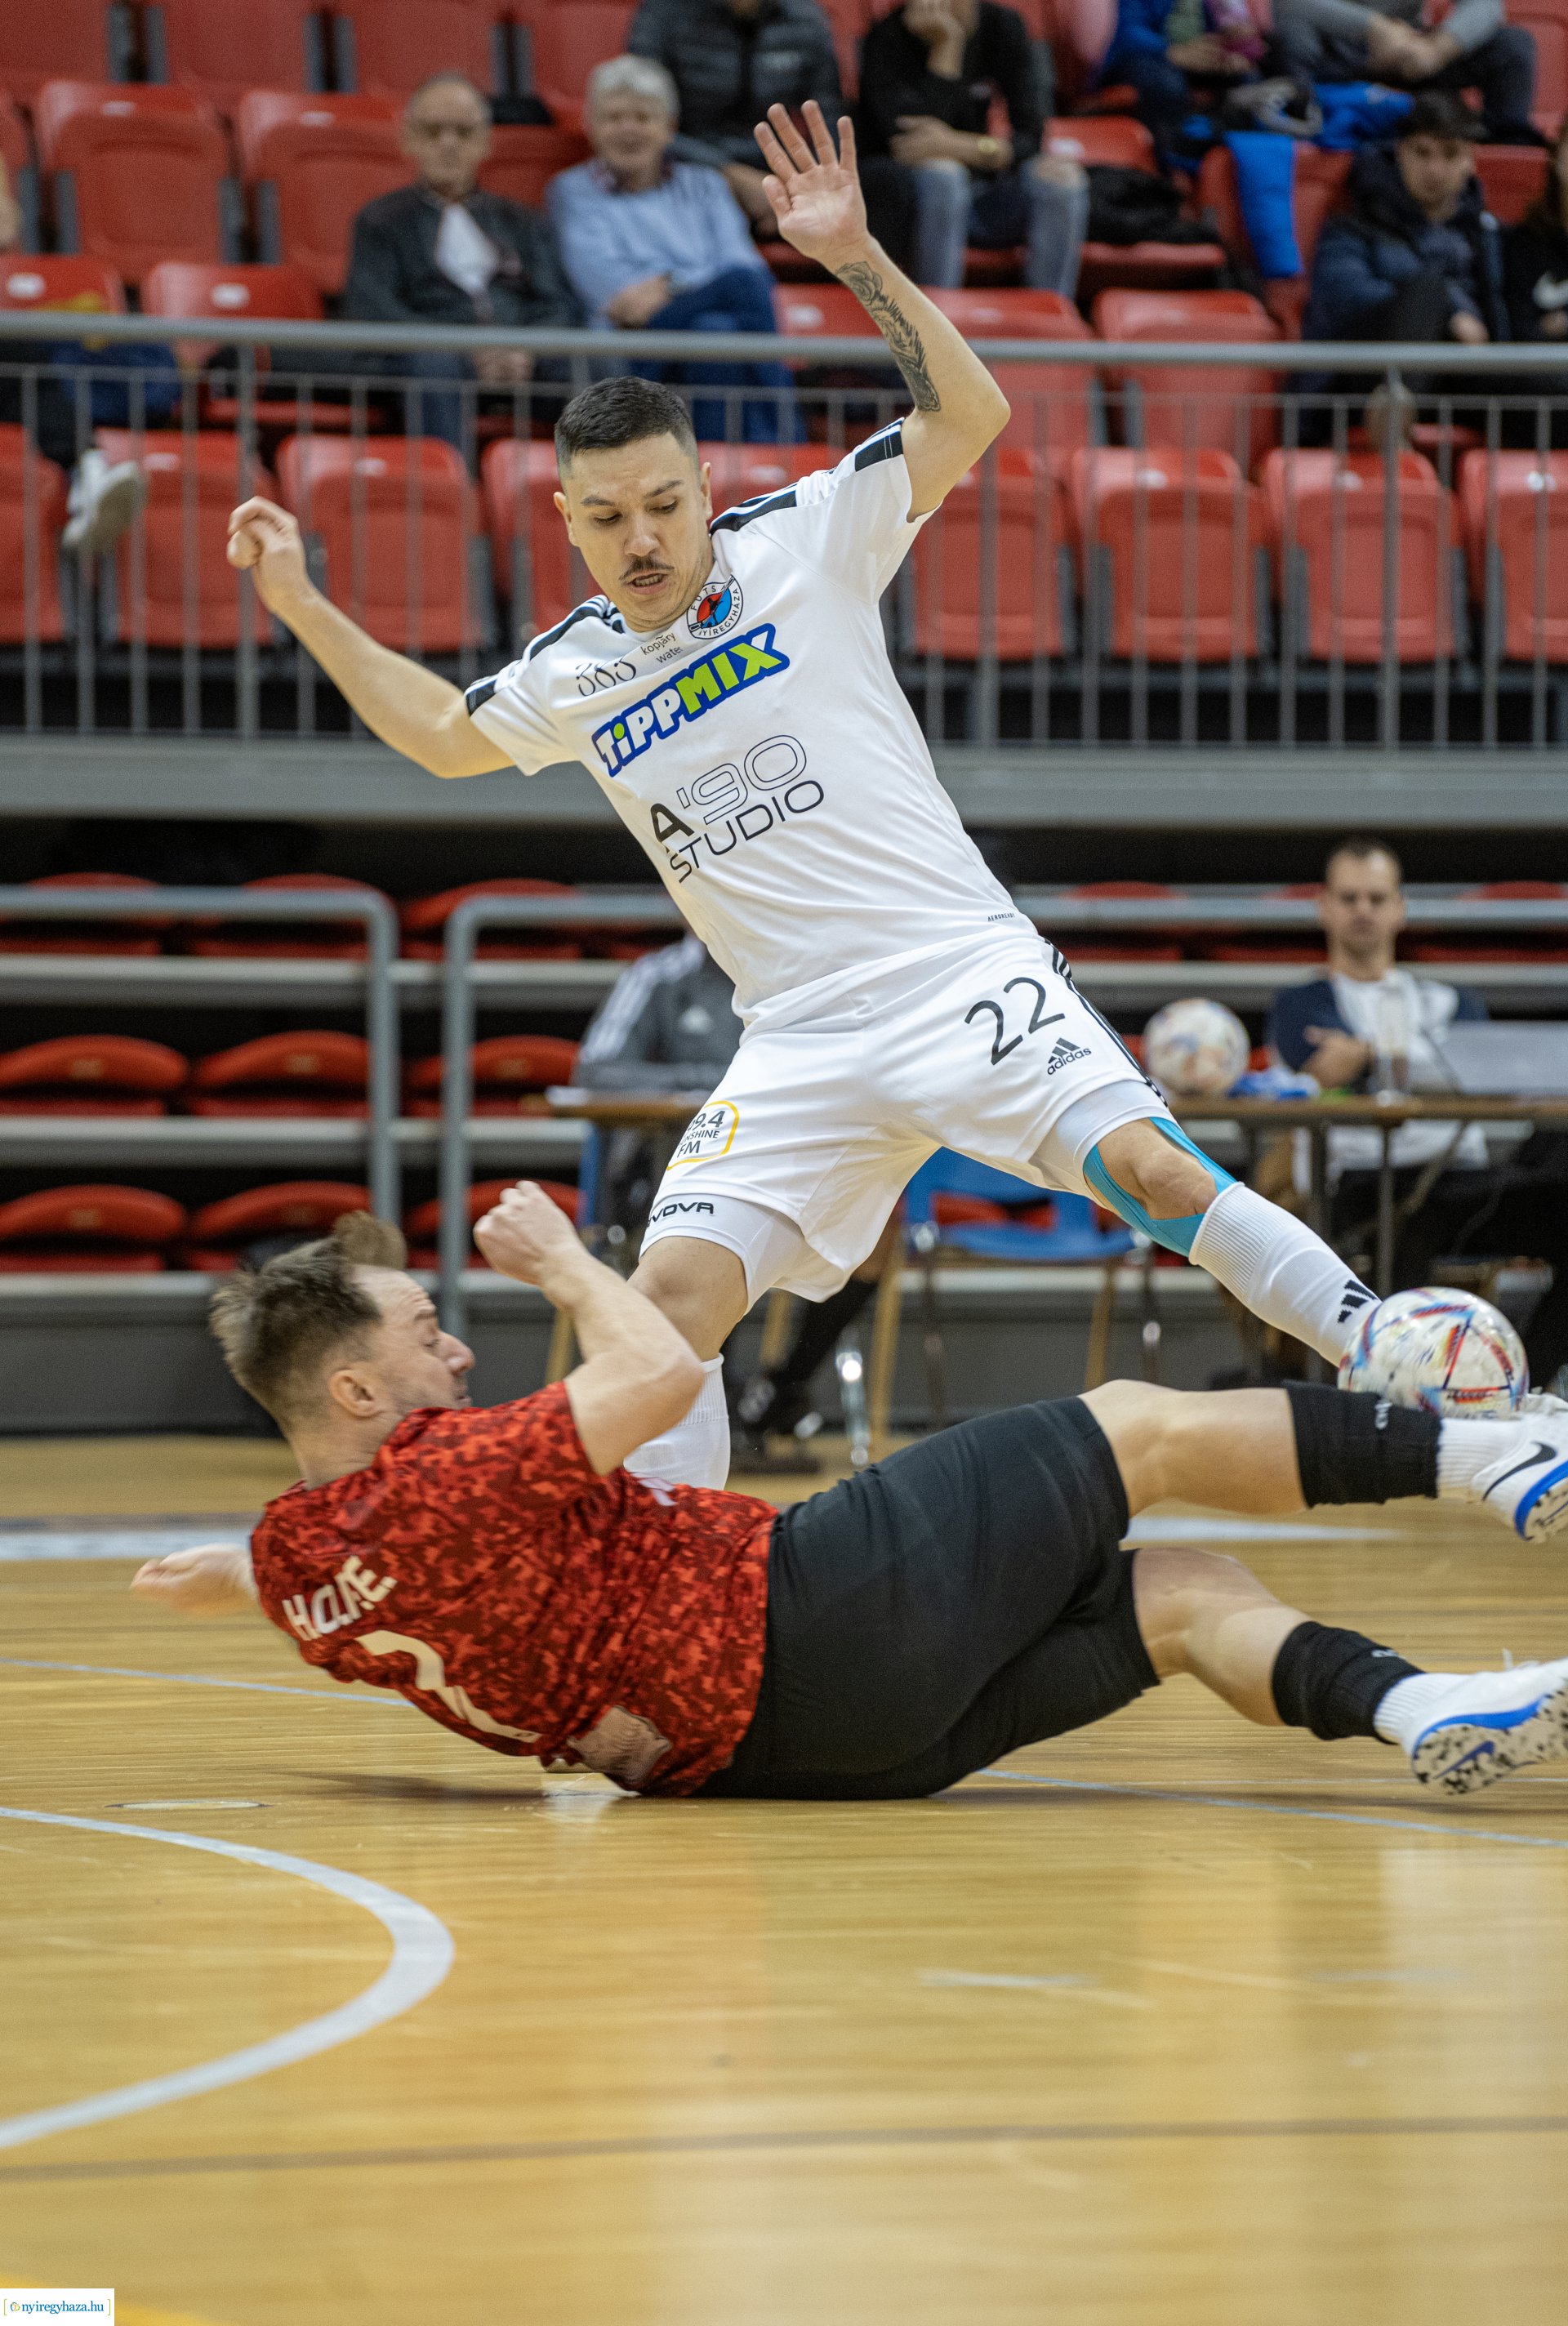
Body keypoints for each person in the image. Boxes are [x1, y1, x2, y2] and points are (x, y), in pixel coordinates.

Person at [228, 100, 1394, 1499]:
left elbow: (970, 412)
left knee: (1150, 1170)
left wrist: (852, 258)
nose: (641, 539)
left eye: (663, 503)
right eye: (606, 519)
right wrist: (300, 602)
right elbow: (434, 733)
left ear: (704, 484)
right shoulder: (578, 669)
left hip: (957, 970)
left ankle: (1385, 1342)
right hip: (794, 1040)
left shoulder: (807, 535)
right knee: (662, 1305)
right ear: (568, 521)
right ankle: (680, 1597)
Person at [131, 1194, 1568, 1803]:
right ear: (360, 1399)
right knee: (1135, 1428)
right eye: (421, 1328)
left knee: (1180, 1594)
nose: (454, 1342)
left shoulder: (301, 1554)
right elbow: (661, 1375)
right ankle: (1495, 1456)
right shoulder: (443, 1470)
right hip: (802, 1617)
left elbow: (318, 1580)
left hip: (791, 1760)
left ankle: (1422, 1710)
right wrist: (566, 1260)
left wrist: (224, 1573)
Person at [1268, 835, 1568, 1394]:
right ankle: (1387, 1403)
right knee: (1410, 1217)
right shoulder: (1302, 1002)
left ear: (1399, 908)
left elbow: (1483, 1074)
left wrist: (1370, 1056)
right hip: (1358, 1187)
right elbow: (1324, 1066)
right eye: (1350, 897)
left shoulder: (1453, 1000)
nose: (1363, 911)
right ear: (1325, 908)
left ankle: (1522, 1388)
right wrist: (1424, 1059)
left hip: (1464, 1182)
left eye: (1377, 898)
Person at [576, 931, 890, 1457]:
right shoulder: (659, 977)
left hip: (787, 1168)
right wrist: (718, 1083)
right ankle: (722, 1396)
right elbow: (596, 1069)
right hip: (671, 1177)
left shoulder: (802, 967)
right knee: (714, 1239)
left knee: (876, 1237)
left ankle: (779, 1390)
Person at [549, 56, 795, 443]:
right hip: (630, 348)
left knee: (715, 329)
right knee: (739, 290)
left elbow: (744, 263)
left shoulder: (706, 186)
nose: (628, 130)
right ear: (590, 126)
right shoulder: (571, 191)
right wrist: (699, 281)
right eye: (614, 118)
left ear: (670, 129)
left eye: (643, 118)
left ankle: (724, 467)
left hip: (702, 334)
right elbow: (617, 298)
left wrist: (671, 284)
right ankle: (787, 436)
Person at [341, 69, 579, 451]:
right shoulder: (381, 221)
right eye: (434, 132)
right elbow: (375, 310)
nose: (449, 144)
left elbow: (555, 305)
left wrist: (526, 350)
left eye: (464, 132)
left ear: (485, 142)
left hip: (521, 360)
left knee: (596, 368)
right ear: (409, 139)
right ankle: (453, 500)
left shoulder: (522, 222)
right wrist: (465, 349)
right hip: (434, 362)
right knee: (434, 366)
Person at [1299, 95, 1508, 443]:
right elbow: (1345, 300)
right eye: (1422, 153)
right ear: (1400, 154)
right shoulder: (1351, 229)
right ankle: (1393, 417)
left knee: (1552, 387)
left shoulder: (1489, 237)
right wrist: (1449, 310)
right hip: (1360, 380)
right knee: (1430, 291)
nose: (1435, 169)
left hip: (1455, 378)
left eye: (1450, 154)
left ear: (1471, 161)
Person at [853, 0, 1087, 294]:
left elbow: (1030, 137)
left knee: (1060, 178)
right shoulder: (888, 36)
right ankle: (937, 316)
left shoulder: (1004, 28)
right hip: (912, 200)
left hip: (983, 186)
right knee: (944, 174)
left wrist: (962, 146)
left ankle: (1052, 318)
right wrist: (946, 47)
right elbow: (910, 143)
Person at [628, 0, 844, 242]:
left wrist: (801, 186)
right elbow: (637, 121)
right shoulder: (663, 14)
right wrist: (728, 173)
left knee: (874, 187)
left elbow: (829, 118)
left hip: (779, 169)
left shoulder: (805, 18)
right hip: (690, 167)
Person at [1273, 0, 1538, 147]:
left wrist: (1437, 49)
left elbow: (1487, 5)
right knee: (1291, 35)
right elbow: (1282, 5)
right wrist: (1373, 28)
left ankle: (1508, 155)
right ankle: (1300, 130)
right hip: (1332, 65)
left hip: (1411, 59)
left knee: (1513, 45)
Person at [1097, 0, 1264, 171]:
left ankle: (1239, 165)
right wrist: (1171, 52)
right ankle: (1170, 167)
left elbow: (1228, 29)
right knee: (1167, 84)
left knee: (1247, 80)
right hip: (1148, 57)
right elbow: (1128, 33)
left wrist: (1232, 52)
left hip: (1197, 59)